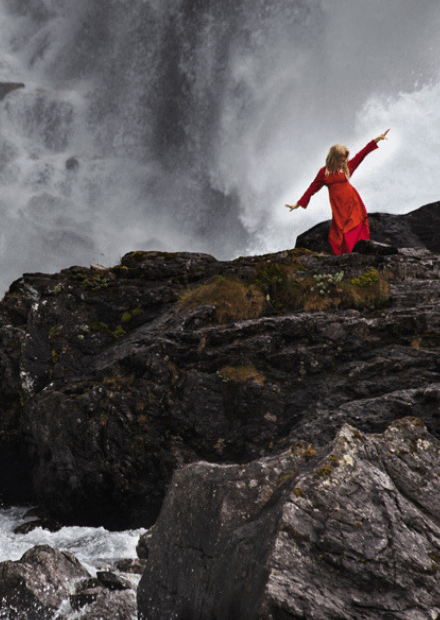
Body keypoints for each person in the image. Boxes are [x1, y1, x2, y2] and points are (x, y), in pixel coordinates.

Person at [285, 130, 390, 254]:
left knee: (353, 228)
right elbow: (312, 188)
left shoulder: (347, 167)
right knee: (339, 233)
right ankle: (346, 255)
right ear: (334, 158)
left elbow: (362, 154)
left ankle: (356, 253)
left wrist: (377, 139)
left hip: (353, 202)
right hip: (339, 207)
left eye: (345, 157)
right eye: (342, 158)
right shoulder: (324, 173)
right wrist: (297, 204)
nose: (345, 160)